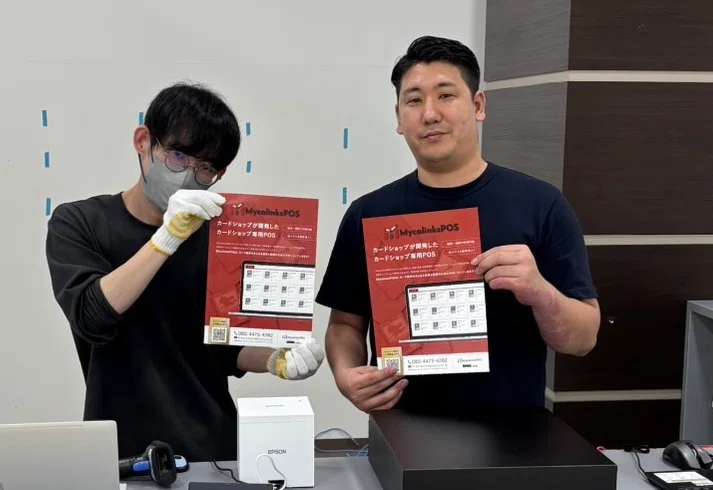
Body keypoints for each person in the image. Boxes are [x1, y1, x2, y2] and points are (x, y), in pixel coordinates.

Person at [315, 36, 600, 415]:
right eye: (414, 100)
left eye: (446, 95)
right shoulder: (368, 214)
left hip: (515, 434)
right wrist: (346, 375)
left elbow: (583, 339)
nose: (430, 114)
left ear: (478, 105)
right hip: (402, 427)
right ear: (399, 118)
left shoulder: (541, 204)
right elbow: (344, 326)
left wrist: (539, 291)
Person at [45, 82, 324, 462]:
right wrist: (166, 239)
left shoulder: (220, 236)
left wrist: (276, 358)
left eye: (206, 168)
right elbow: (91, 317)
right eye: (177, 156)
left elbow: (223, 347)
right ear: (143, 142)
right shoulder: (79, 222)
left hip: (212, 445)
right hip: (122, 450)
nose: (189, 175)